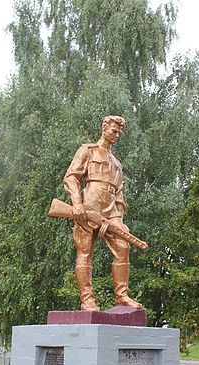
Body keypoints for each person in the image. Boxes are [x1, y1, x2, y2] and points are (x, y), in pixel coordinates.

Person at [63, 115, 142, 311]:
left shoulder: (116, 161)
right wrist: (77, 204)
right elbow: (71, 177)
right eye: (114, 131)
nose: (116, 135)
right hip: (89, 205)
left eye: (119, 133)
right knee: (84, 251)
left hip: (111, 209)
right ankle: (87, 299)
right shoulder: (87, 150)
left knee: (123, 246)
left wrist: (120, 217)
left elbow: (120, 192)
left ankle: (122, 296)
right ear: (104, 127)